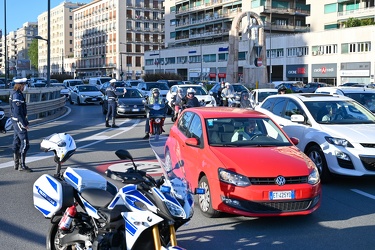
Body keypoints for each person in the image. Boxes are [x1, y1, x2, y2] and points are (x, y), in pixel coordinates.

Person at [9, 78, 32, 172]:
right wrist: (24, 123)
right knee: (25, 143)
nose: (25, 87)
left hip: (15, 120)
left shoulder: (15, 94)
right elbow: (18, 112)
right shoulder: (17, 96)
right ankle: (22, 165)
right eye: (23, 85)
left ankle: (16, 164)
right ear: (20, 85)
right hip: (18, 121)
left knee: (17, 142)